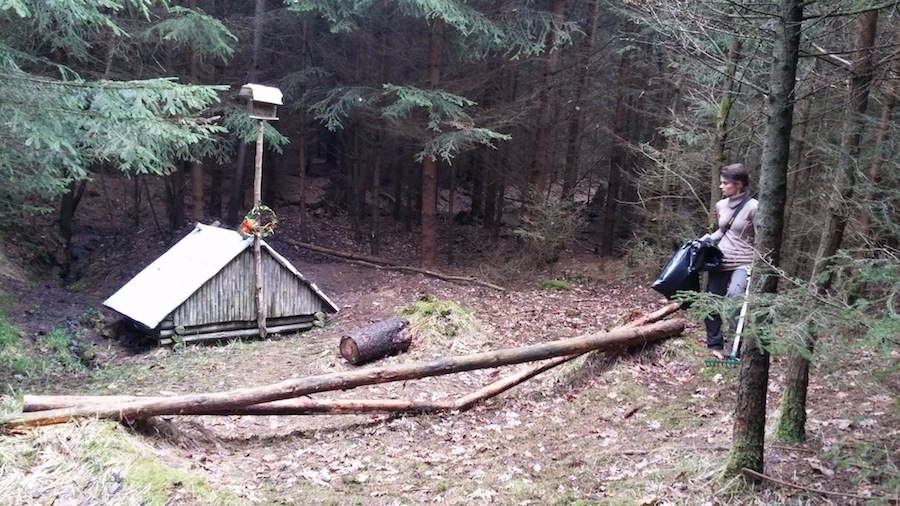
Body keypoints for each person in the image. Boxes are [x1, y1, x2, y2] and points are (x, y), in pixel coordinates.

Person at [699, 163, 757, 358]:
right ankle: (714, 345)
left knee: (735, 298)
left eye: (725, 183)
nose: (721, 187)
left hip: (744, 261)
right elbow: (723, 231)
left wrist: (759, 263)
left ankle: (734, 347)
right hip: (721, 260)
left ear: (738, 184)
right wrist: (703, 241)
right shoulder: (721, 205)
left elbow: (761, 237)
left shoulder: (753, 207)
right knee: (711, 301)